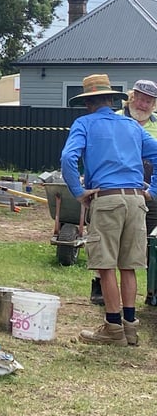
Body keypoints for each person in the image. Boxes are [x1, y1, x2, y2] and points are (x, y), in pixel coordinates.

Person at [61, 73, 157, 346]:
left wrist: (79, 193)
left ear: (89, 102)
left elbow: (68, 158)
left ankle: (112, 328)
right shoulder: (132, 126)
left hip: (108, 199)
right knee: (129, 266)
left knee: (105, 266)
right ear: (111, 99)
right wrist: (153, 191)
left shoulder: (85, 123)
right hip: (136, 200)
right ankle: (130, 328)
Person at [89, 79, 157, 304]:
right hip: (117, 187)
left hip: (146, 193)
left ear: (154, 104)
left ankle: (150, 292)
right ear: (132, 97)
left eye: (149, 101)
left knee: (143, 246)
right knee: (108, 244)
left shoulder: (156, 125)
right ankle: (102, 291)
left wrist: (154, 190)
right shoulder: (115, 118)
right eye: (141, 99)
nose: (144, 104)